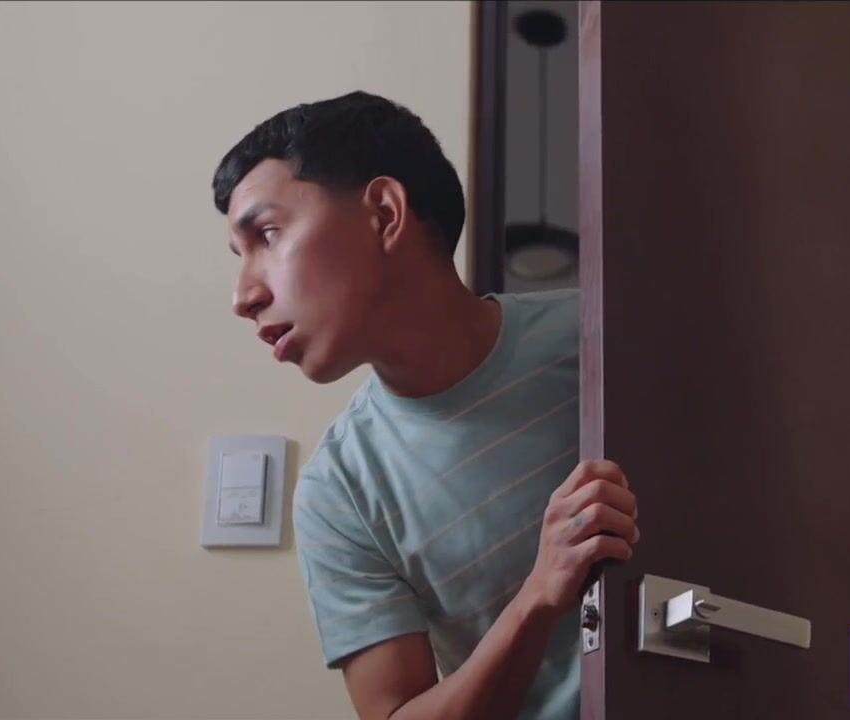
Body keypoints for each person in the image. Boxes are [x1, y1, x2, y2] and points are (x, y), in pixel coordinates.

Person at [211, 90, 640, 720]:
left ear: (385, 213)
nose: (243, 296)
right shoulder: (340, 492)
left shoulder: (599, 338)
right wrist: (539, 595)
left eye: (268, 235)